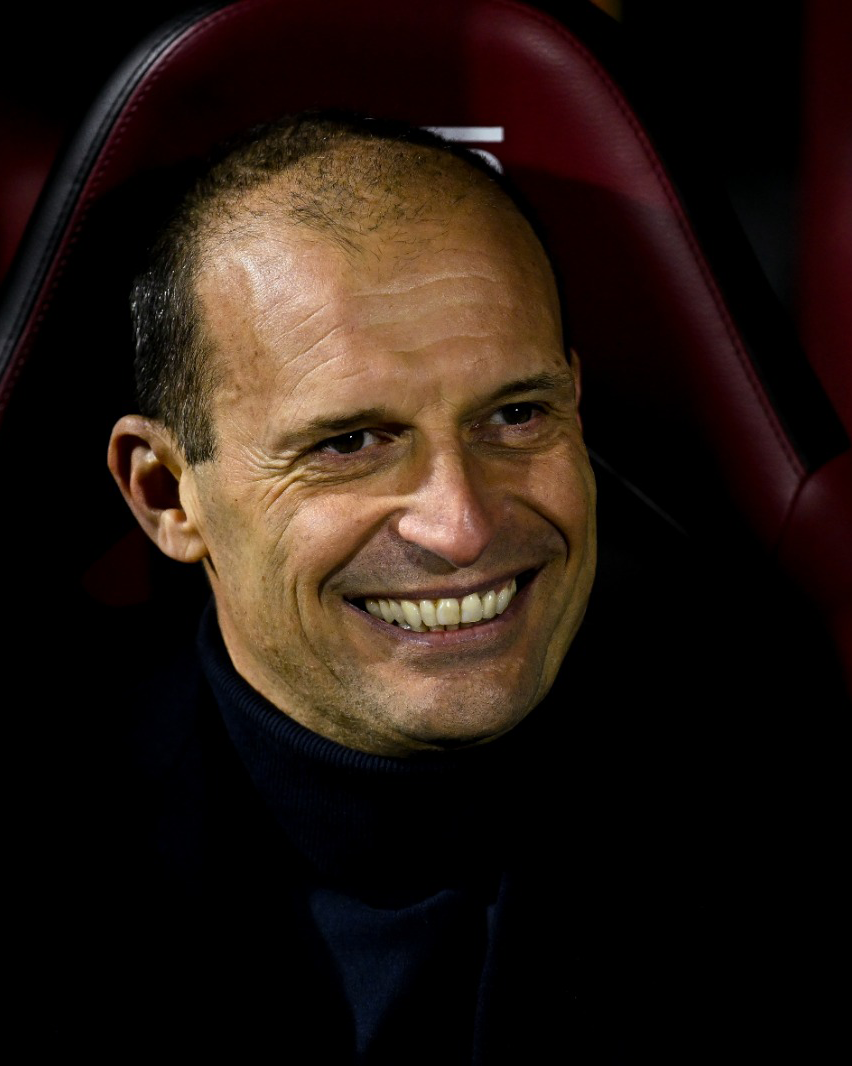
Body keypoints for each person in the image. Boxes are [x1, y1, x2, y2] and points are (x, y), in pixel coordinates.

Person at [89, 112, 834, 1062]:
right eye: (349, 443)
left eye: (516, 415)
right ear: (165, 494)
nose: (462, 525)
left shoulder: (779, 790)